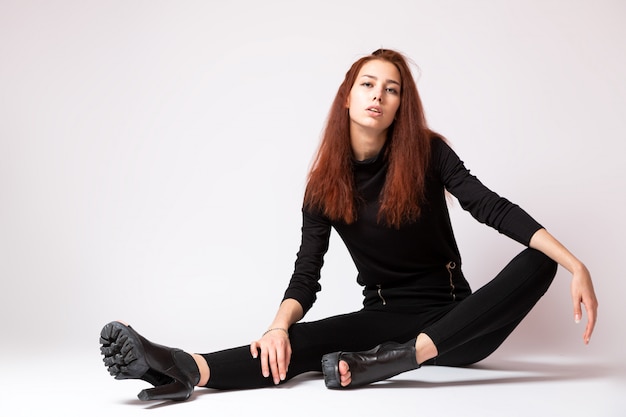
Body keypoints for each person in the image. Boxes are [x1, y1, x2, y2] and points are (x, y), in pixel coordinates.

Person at [99, 48, 598, 401]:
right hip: (381, 321)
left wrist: (575, 264)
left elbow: (489, 206)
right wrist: (277, 327)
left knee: (542, 261)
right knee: (298, 343)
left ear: (401, 106)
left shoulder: (428, 153)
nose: (378, 95)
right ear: (347, 96)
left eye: (392, 89)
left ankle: (404, 358)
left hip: (457, 325)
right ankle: (187, 368)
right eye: (367, 84)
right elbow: (306, 274)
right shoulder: (322, 186)